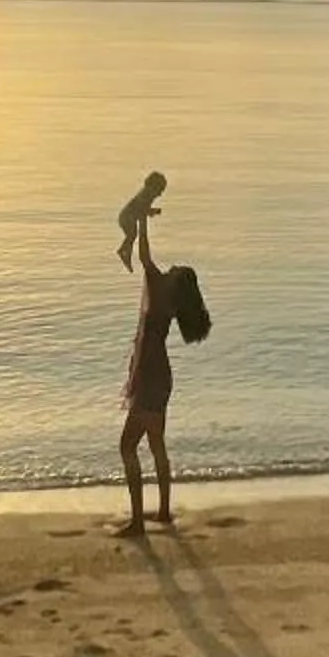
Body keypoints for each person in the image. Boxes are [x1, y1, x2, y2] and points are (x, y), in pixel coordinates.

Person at [118, 204, 211, 535]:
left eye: (173, 271)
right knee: (156, 445)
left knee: (127, 446)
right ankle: (164, 512)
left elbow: (144, 255)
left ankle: (138, 522)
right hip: (160, 375)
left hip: (149, 374)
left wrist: (141, 218)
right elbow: (148, 259)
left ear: (173, 283)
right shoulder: (169, 301)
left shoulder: (158, 289)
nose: (168, 269)